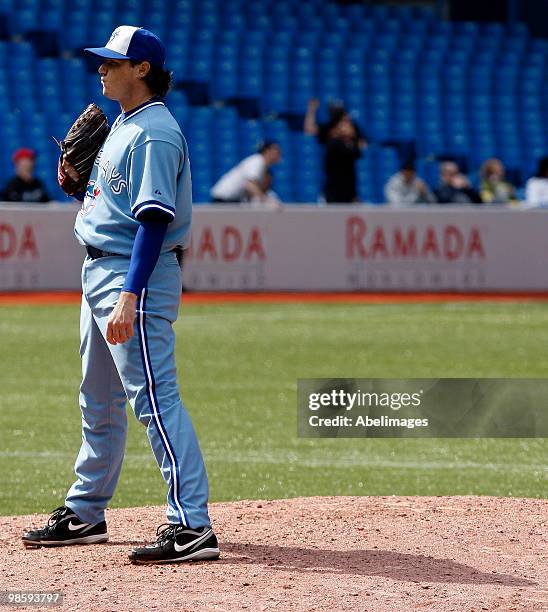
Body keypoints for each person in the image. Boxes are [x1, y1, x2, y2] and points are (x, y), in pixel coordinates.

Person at [21, 26, 219, 565]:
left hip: (134, 278)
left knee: (154, 399)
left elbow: (154, 220)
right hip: (100, 272)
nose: (102, 69)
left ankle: (191, 524)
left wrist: (130, 295)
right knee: (98, 399)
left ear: (142, 70)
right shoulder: (123, 125)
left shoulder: (154, 132)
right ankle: (86, 511)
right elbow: (115, 200)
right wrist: (79, 188)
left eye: (114, 62)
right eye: (103, 61)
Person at [304, 98, 367, 203]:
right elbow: (309, 130)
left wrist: (350, 141)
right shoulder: (331, 134)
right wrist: (311, 110)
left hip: (349, 182)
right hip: (333, 183)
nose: (345, 125)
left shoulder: (352, 131)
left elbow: (362, 145)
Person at [210, 141, 281, 203]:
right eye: (276, 150)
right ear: (267, 151)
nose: (279, 153)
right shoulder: (257, 161)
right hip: (224, 200)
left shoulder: (261, 164)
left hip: (233, 200)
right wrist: (266, 200)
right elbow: (249, 185)